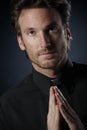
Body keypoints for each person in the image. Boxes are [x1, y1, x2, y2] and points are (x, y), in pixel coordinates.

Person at [0, 0, 87, 129]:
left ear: (67, 32)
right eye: (32, 32)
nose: (45, 43)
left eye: (51, 29)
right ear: (21, 42)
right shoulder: (6, 107)